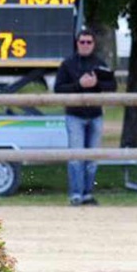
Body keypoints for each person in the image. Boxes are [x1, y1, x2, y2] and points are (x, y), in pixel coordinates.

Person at [53, 28, 116, 205]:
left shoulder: (100, 63)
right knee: (75, 157)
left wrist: (97, 83)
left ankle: (88, 194)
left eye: (89, 42)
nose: (86, 45)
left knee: (92, 158)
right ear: (77, 43)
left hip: (96, 115)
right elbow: (58, 89)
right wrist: (79, 85)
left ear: (94, 44)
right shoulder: (67, 64)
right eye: (82, 42)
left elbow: (112, 86)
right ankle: (75, 194)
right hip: (74, 116)